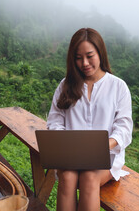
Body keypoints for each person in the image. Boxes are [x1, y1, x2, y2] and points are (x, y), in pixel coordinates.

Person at [47, 28, 133, 211]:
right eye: (78, 57)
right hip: (70, 155)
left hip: (106, 157)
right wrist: (67, 144)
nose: (84, 63)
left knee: (89, 177)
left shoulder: (118, 87)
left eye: (89, 55)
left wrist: (104, 145)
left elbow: (124, 128)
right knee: (67, 177)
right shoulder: (65, 85)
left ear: (100, 52)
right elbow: (54, 122)